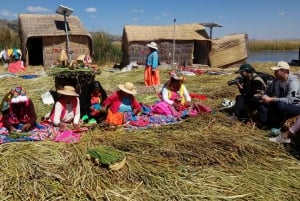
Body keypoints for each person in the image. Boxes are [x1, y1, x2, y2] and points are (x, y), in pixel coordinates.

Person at [260, 61, 300, 132]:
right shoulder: (276, 80)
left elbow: (289, 100)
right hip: (281, 103)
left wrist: (272, 99)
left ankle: (278, 126)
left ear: (284, 71)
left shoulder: (293, 81)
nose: (274, 73)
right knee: (262, 103)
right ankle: (266, 124)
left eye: (276, 71)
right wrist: (265, 96)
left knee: (280, 105)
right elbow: (268, 92)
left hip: (295, 106)